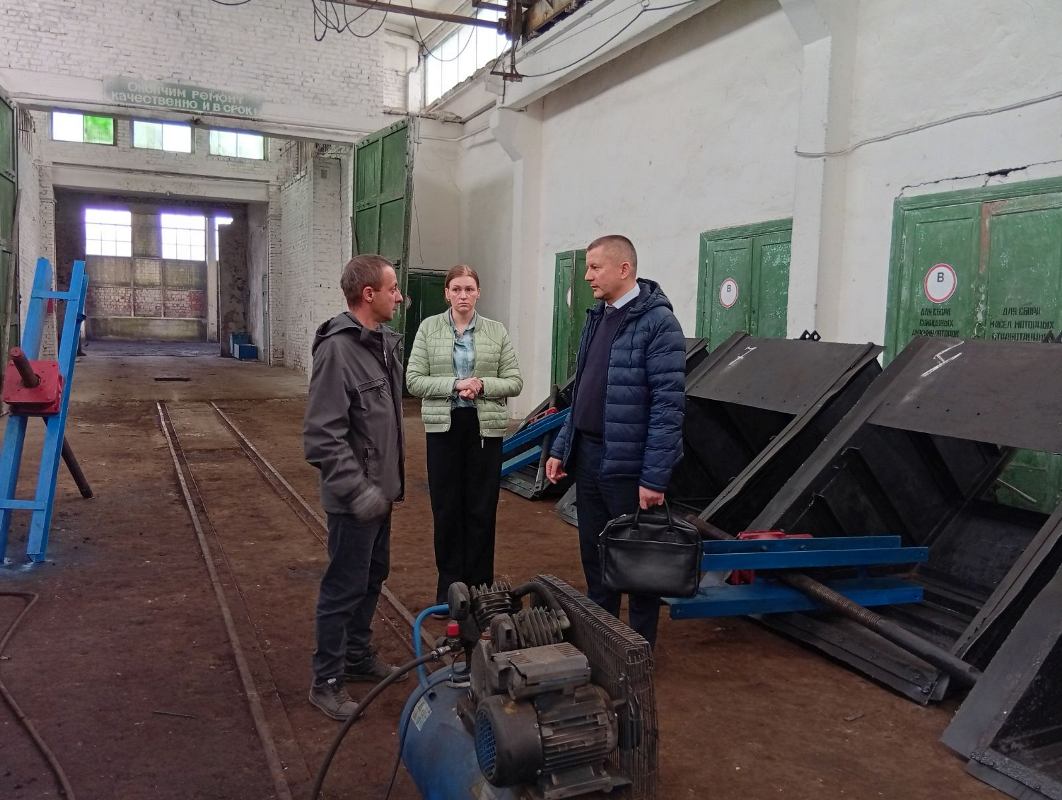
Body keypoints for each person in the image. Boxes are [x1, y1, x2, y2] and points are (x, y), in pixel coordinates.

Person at [545, 235, 685, 648]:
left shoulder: (659, 324)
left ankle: (638, 651)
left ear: (624, 269)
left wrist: (654, 478)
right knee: (596, 557)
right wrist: (561, 448)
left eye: (594, 267)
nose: (587, 276)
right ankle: (603, 644)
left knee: (637, 564)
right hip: (589, 457)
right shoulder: (597, 318)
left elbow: (668, 406)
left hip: (629, 465)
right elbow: (583, 393)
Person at [303, 254, 409, 721]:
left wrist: (382, 490)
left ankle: (356, 656)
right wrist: (358, 490)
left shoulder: (381, 345)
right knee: (343, 588)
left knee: (372, 576)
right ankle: (326, 681)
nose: (399, 297)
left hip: (380, 494)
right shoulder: (338, 351)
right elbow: (321, 437)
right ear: (369, 294)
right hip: (354, 500)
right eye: (393, 288)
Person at [406, 265, 523, 611]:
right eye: (456, 289)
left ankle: (481, 588)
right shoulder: (428, 329)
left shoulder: (496, 331)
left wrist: (482, 384)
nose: (463, 295)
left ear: (478, 293)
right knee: (446, 508)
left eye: (469, 289)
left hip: (484, 430)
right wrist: (456, 385)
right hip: (444, 429)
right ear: (447, 293)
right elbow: (413, 380)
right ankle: (450, 590)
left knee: (481, 508)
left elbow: (514, 381)